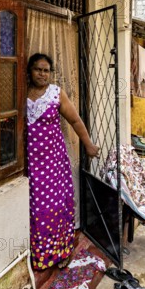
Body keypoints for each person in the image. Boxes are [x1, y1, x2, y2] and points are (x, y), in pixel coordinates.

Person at [26, 53, 99, 270]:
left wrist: (88, 145)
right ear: (30, 71)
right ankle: (38, 255)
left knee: (54, 207)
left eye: (46, 70)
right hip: (30, 165)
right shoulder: (21, 94)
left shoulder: (56, 94)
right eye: (38, 69)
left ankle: (61, 252)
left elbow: (75, 121)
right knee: (34, 209)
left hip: (53, 164)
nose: (42, 74)